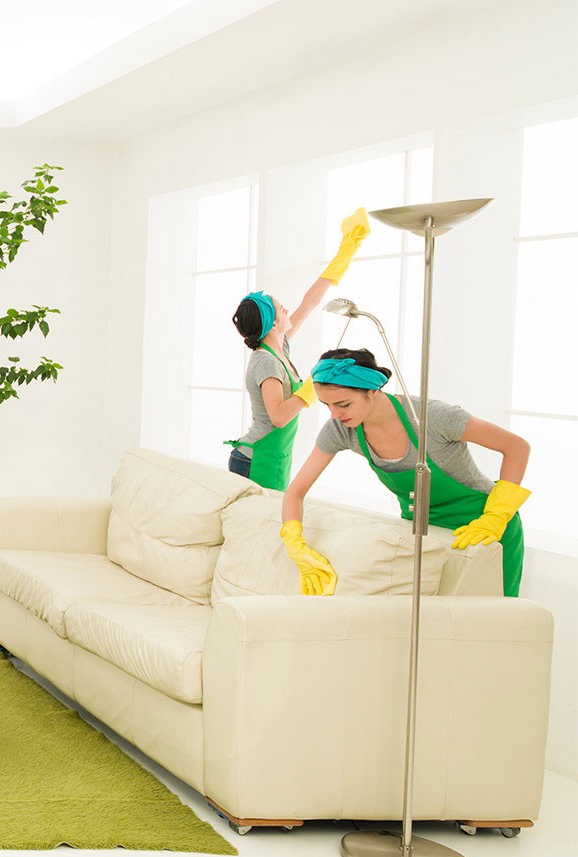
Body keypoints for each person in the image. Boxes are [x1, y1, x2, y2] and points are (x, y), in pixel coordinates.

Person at [280, 348, 532, 597]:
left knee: (490, 616)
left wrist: (495, 517)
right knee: (430, 618)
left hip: (485, 529)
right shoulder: (341, 430)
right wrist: (294, 543)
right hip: (423, 534)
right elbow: (296, 491)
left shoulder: (433, 417)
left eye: (343, 404)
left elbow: (516, 447)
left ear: (372, 390)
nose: (335, 415)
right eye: (327, 405)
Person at [226, 208, 373, 490]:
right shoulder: (266, 362)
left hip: (270, 456)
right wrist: (311, 388)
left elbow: (310, 302)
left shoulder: (279, 347)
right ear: (272, 323)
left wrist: (345, 252)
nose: (287, 310)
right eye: (281, 308)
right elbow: (279, 417)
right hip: (255, 459)